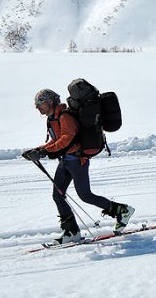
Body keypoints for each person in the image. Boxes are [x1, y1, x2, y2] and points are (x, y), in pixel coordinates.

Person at [22, 88, 135, 244]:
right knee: (58, 195)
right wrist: (37, 150)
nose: (37, 108)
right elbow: (56, 141)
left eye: (39, 104)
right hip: (65, 161)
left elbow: (67, 139)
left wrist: (44, 152)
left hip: (77, 161)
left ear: (49, 102)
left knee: (85, 195)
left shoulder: (64, 116)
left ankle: (122, 211)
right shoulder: (52, 118)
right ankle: (71, 231)